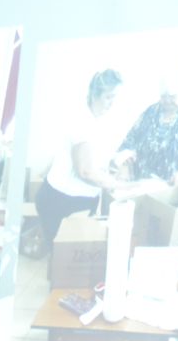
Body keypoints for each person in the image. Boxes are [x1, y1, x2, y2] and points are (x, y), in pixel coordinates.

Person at [30, 69, 133, 254]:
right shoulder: (81, 121)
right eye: (109, 97)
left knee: (70, 263)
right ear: (95, 94)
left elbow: (97, 161)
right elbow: (85, 171)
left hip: (78, 200)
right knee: (67, 263)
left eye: (115, 97)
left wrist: (118, 163)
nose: (112, 103)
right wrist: (117, 185)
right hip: (62, 202)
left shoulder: (100, 120)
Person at [116, 71, 178, 187]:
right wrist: (125, 166)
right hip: (141, 183)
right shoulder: (151, 111)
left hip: (172, 186)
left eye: (172, 96)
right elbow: (129, 141)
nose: (167, 101)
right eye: (163, 96)